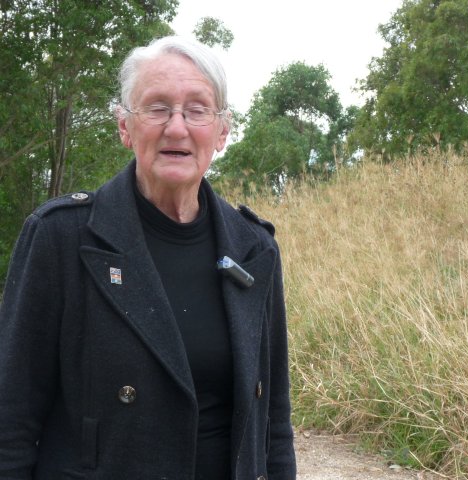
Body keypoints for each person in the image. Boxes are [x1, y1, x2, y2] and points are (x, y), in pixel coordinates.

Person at [0, 35, 296, 479]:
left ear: (221, 132)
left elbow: (273, 419)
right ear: (125, 127)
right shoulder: (60, 237)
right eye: (157, 107)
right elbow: (11, 416)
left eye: (197, 110)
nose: (176, 127)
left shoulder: (254, 249)